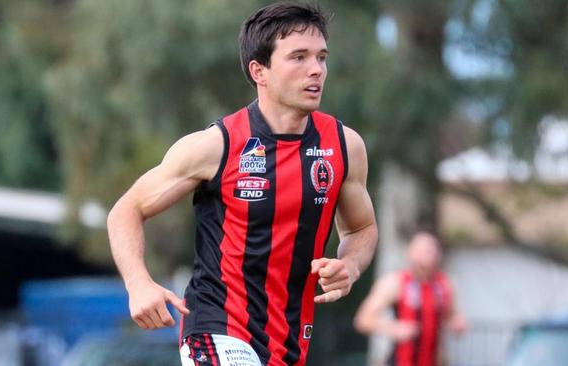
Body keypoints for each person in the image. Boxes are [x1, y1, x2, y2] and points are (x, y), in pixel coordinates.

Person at [107, 2, 378, 365]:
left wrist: (351, 266)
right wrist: (138, 283)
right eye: (298, 57)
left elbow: (361, 228)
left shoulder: (344, 146)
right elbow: (127, 209)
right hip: (216, 328)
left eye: (321, 58)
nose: (316, 70)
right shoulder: (217, 145)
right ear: (259, 71)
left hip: (290, 341)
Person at [353, 231, 467, 366]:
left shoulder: (445, 284)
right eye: (424, 249)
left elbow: (451, 316)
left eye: (433, 248)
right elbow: (363, 320)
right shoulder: (395, 282)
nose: (430, 252)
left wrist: (457, 323)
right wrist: (394, 328)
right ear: (410, 252)